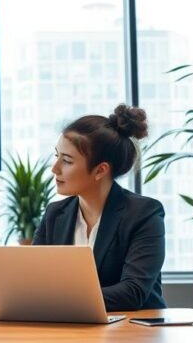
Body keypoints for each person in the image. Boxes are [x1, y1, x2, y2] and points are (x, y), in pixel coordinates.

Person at [33, 104, 166, 311]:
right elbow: (34, 282)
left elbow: (133, 292)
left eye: (67, 161)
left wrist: (57, 300)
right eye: (56, 155)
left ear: (100, 170)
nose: (54, 168)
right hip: (73, 331)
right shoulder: (55, 214)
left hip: (134, 334)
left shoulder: (144, 214)